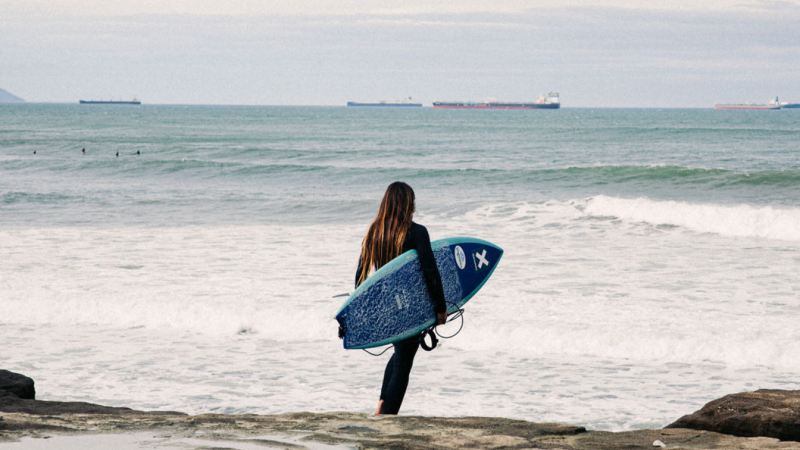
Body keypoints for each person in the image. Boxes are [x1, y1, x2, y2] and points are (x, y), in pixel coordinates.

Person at [355, 181, 447, 416]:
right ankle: (387, 415)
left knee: (400, 353)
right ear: (408, 204)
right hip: (410, 306)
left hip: (387, 307)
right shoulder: (416, 232)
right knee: (404, 361)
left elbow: (361, 277)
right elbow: (430, 272)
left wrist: (362, 312)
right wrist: (440, 307)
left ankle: (381, 407)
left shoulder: (374, 232)